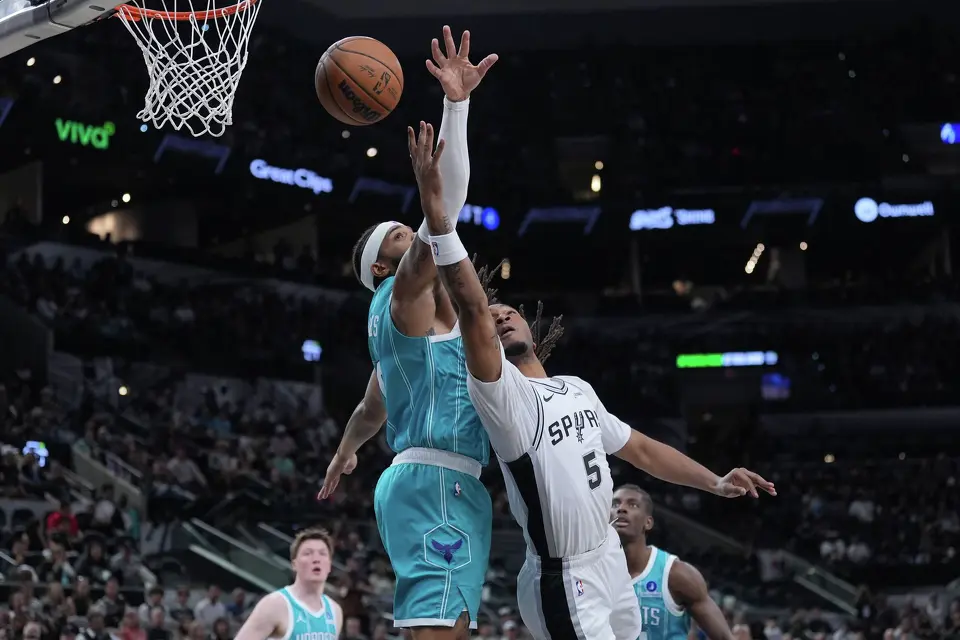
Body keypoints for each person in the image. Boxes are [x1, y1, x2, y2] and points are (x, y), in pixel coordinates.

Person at [405, 121, 776, 640]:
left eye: (508, 311)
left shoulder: (577, 388)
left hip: (607, 560)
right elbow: (468, 303)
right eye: (490, 318)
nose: (499, 317)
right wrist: (437, 211)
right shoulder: (501, 396)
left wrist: (715, 480)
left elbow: (642, 450)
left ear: (531, 330)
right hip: (563, 578)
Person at [319, 26, 499, 638]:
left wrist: (347, 448)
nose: (414, 233)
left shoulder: (390, 336)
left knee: (446, 623)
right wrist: (457, 104)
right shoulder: (405, 295)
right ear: (381, 267)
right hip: (439, 479)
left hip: (425, 477)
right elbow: (445, 207)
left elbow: (373, 407)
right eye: (401, 236)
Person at [611, 484, 734, 640]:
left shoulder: (676, 574)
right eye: (615, 504)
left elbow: (725, 638)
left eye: (632, 505)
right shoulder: (592, 571)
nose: (621, 509)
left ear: (648, 523)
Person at [234, 527, 341, 640]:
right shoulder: (274, 604)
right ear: (294, 564)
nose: (316, 559)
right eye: (308, 553)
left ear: (329, 565)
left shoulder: (335, 611)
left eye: (322, 553)